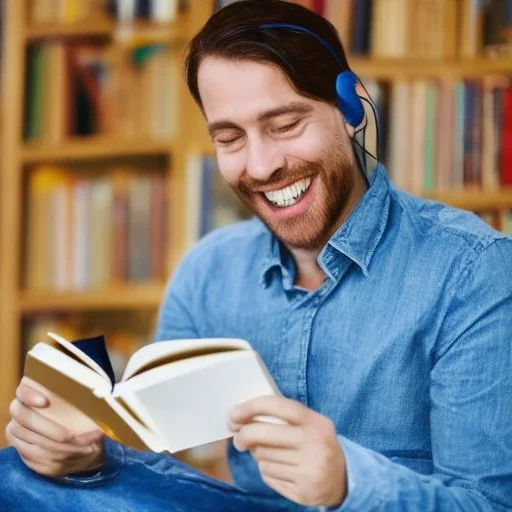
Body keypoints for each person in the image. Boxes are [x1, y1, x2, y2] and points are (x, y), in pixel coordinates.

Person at [2, 1, 511, 510]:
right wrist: (85, 454)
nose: (262, 165)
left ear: (352, 107)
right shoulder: (207, 272)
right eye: (230, 137)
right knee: (17, 475)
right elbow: (164, 469)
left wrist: (349, 483)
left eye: (285, 124)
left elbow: (489, 503)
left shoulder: (474, 271)